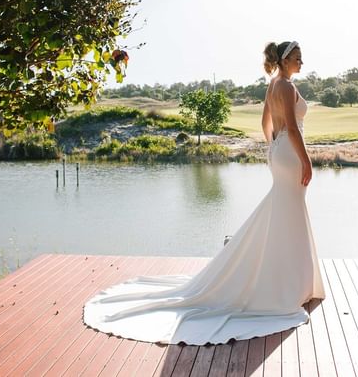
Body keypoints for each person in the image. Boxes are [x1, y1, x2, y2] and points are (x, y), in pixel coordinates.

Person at [83, 41, 325, 345]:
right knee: (290, 215)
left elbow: (266, 123)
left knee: (284, 214)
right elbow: (291, 126)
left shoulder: (272, 86)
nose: (302, 63)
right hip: (290, 153)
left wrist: (273, 147)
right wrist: (305, 160)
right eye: (299, 59)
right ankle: (290, 286)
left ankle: (291, 283)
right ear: (287, 60)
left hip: (279, 154)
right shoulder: (286, 87)